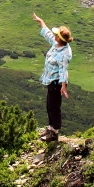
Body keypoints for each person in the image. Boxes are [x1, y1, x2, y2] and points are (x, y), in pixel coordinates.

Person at [32, 13, 72, 142]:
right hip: (50, 82)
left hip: (56, 84)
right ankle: (50, 128)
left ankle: (54, 132)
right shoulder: (57, 44)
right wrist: (41, 21)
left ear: (59, 38)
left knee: (54, 107)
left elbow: (63, 70)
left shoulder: (65, 53)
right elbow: (47, 33)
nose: (54, 36)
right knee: (49, 106)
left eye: (56, 35)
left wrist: (63, 86)